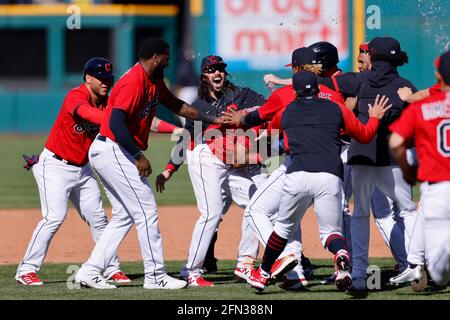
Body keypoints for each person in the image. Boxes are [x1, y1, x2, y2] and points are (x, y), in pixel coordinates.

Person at [74, 38, 224, 290]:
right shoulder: (132, 82)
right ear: (156, 57)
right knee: (146, 210)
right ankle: (155, 276)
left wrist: (214, 118)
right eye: (166, 56)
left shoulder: (153, 80)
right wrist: (138, 156)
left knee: (124, 215)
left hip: (112, 150)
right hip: (114, 148)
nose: (169, 60)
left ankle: (90, 271)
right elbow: (115, 124)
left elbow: (177, 106)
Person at [246, 71, 391, 292]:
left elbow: (271, 128)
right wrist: (375, 118)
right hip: (329, 175)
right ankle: (342, 256)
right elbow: (363, 135)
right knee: (331, 233)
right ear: (318, 88)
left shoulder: (287, 111)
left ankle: (263, 274)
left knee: (283, 227)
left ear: (294, 91)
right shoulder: (337, 108)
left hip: (297, 175)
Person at [223, 46, 349, 291]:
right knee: (323, 229)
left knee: (257, 211)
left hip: (298, 166)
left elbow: (260, 121)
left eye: (293, 68)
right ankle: (297, 275)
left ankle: (281, 260)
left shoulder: (286, 96)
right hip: (333, 166)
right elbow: (351, 130)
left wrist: (241, 124)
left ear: (298, 69)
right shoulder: (333, 94)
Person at [320, 36, 424, 291]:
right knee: (408, 211)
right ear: (397, 58)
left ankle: (357, 275)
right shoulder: (405, 86)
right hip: (392, 161)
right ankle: (416, 265)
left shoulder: (358, 81)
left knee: (360, 215)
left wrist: (286, 80)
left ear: (373, 56)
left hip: (361, 157)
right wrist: (409, 99)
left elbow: (317, 82)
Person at [15, 58, 130, 286]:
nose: (106, 82)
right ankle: (26, 270)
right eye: (101, 78)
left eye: (109, 78)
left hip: (83, 169)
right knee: (54, 217)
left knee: (98, 219)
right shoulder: (75, 96)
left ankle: (110, 268)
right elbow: (88, 115)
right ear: (87, 78)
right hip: (56, 166)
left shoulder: (108, 102)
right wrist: (117, 119)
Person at [156, 54, 267, 286]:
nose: (217, 73)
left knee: (256, 203)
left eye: (220, 69)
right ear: (204, 76)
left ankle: (245, 264)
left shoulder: (243, 95)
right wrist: (168, 170)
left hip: (231, 163)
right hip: (205, 159)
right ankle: (191, 271)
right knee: (211, 213)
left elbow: (266, 110)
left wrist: (247, 119)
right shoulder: (199, 107)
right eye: (211, 70)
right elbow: (186, 140)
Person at [389, 51, 450, 288]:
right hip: (434, 189)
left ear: (438, 74)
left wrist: (407, 170)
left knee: (438, 270)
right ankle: (414, 264)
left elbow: (395, 142)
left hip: (436, 187)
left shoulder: (424, 106)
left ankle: (417, 265)